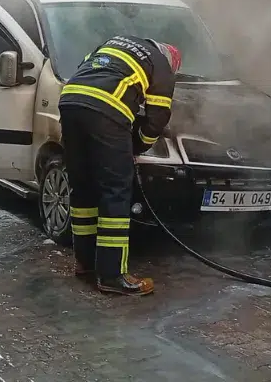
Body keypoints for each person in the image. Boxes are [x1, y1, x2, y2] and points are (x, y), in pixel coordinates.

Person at [58, 35, 181, 296]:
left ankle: (85, 263)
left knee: (83, 188)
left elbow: (87, 68)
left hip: (70, 101)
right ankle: (113, 276)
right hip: (106, 109)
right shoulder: (162, 66)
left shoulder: (113, 43)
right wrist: (137, 146)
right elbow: (157, 118)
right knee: (115, 191)